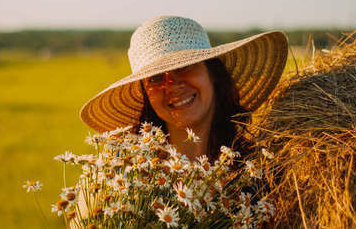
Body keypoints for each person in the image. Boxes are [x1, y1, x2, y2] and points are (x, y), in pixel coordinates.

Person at [80, 16, 288, 161]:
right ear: (146, 95)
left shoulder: (260, 172)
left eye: (184, 67)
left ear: (213, 73)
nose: (172, 84)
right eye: (155, 78)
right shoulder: (120, 173)